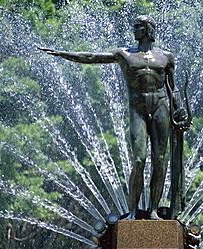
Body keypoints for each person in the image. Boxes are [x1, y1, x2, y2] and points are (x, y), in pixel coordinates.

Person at [39, 15, 186, 220]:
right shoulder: (124, 54)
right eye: (133, 27)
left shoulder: (166, 57)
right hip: (138, 109)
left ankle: (153, 210)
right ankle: (133, 211)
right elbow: (91, 57)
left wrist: (180, 110)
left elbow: (173, 87)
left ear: (148, 29)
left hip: (161, 106)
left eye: (138, 27)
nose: (134, 31)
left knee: (160, 160)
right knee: (139, 159)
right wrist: (64, 54)